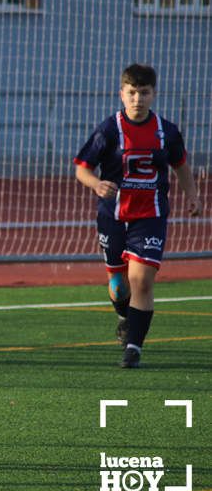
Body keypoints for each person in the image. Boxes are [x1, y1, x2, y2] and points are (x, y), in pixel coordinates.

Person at [73, 63, 201, 369]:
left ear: (154, 94)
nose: (137, 99)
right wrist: (96, 183)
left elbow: (180, 165)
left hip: (150, 215)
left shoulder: (166, 132)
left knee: (141, 280)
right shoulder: (109, 130)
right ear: (121, 94)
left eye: (144, 93)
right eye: (131, 93)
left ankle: (134, 347)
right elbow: (82, 168)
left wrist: (192, 195)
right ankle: (123, 315)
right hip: (113, 216)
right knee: (119, 285)